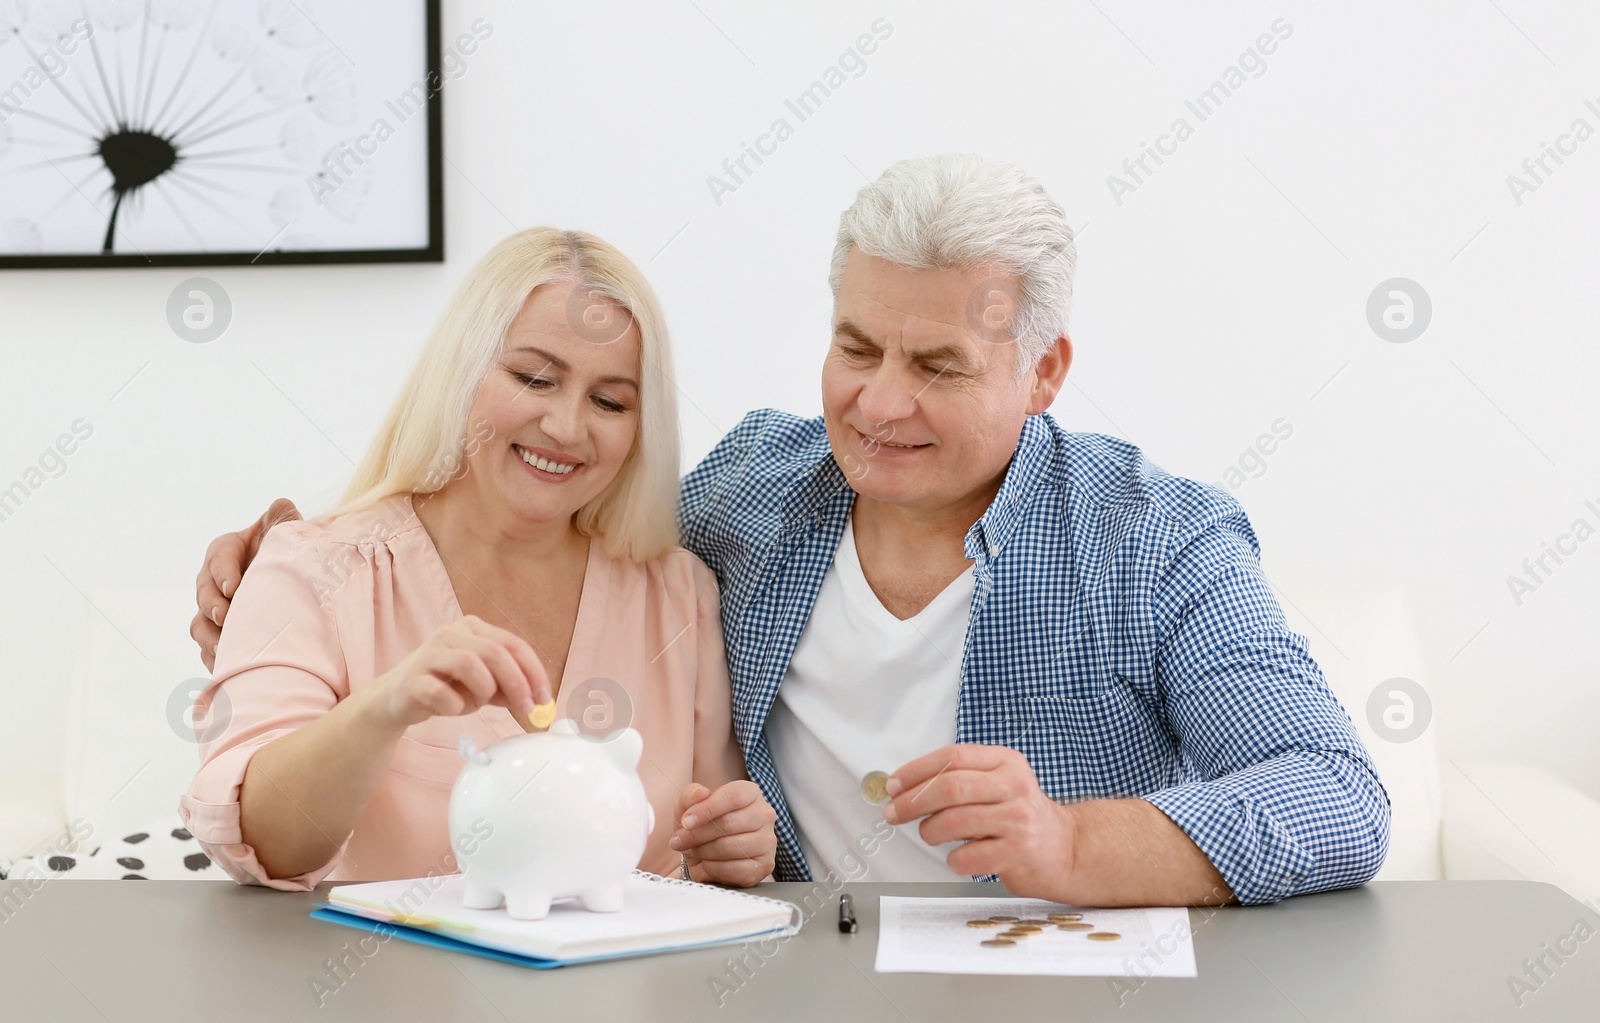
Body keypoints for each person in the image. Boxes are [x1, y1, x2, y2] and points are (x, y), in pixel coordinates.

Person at [194, 156, 1389, 907]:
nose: (878, 404)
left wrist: (1067, 843)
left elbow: (1337, 795)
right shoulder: (747, 497)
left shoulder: (1156, 540)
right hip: (787, 980)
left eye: (937, 365)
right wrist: (275, 571)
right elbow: (526, 505)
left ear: (1043, 373)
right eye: (858, 347)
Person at [180, 228, 776, 893]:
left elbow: (707, 842)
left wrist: (735, 846)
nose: (567, 426)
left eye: (610, 401)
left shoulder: (678, 592)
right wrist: (388, 704)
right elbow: (259, 839)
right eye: (534, 378)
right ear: (463, 371)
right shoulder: (313, 569)